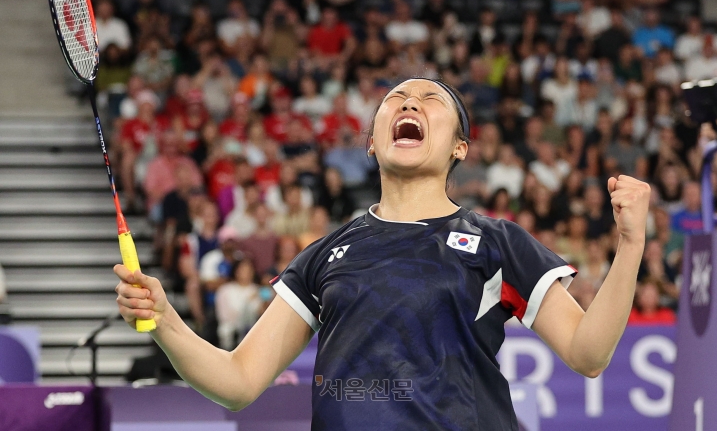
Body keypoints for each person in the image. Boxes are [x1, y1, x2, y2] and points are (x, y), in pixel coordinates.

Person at [115, 77, 651, 429]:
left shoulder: (496, 243)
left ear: (459, 148)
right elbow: (238, 383)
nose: (411, 102)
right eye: (395, 98)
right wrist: (166, 322)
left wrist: (630, 246)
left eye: (431, 99)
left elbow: (588, 353)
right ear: (371, 141)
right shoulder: (322, 257)